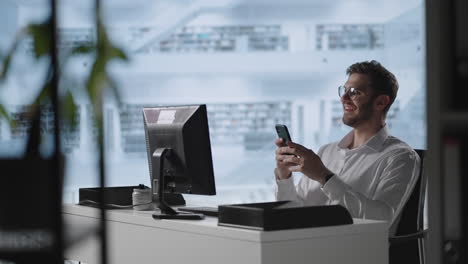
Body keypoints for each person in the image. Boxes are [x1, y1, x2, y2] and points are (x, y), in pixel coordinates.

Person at [274, 60, 420, 233]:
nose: (343, 98)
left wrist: (324, 177)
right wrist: (284, 176)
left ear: (380, 102)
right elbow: (293, 215)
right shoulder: (326, 152)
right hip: (308, 247)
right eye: (344, 91)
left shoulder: (400, 157)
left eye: (354, 92)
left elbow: (382, 220)